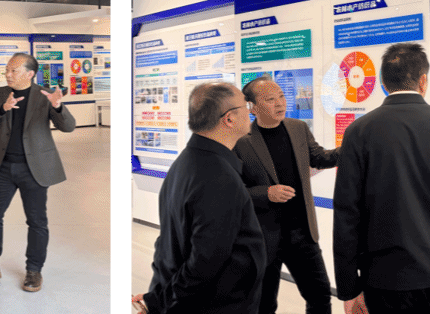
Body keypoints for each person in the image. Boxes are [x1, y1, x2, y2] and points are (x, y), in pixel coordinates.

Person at [332, 44, 430, 314]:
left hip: (383, 278)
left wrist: (348, 287)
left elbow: (346, 214)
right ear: (423, 81)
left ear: (383, 82)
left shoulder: (358, 132)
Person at [135, 81, 264, 314]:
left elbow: (170, 245)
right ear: (229, 119)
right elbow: (205, 263)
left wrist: (160, 296)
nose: (251, 111)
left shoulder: (189, 161)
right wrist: (158, 302)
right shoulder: (218, 177)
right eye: (246, 106)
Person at [0, 53, 75, 292]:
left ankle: (34, 270)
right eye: (7, 70)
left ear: (30, 74)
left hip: (34, 169)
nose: (8, 74)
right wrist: (2, 108)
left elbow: (68, 126)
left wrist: (57, 106)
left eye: (13, 70)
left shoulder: (45, 94)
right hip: (2, 166)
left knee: (36, 221)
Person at [235, 76, 340, 314]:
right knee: (264, 304)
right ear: (252, 107)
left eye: (281, 96)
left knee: (320, 296)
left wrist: (351, 147)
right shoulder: (241, 141)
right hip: (264, 237)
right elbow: (233, 190)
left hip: (302, 232)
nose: (280, 103)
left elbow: (319, 157)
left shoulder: (298, 128)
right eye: (270, 99)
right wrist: (266, 193)